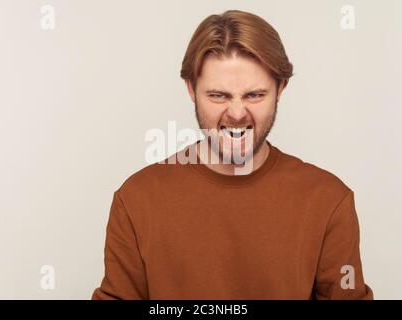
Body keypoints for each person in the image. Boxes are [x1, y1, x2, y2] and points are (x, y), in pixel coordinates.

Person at [92, 9, 373, 300]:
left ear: (281, 89)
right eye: (218, 95)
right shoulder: (136, 200)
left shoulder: (328, 200)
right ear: (191, 89)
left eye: (254, 95)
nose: (237, 113)